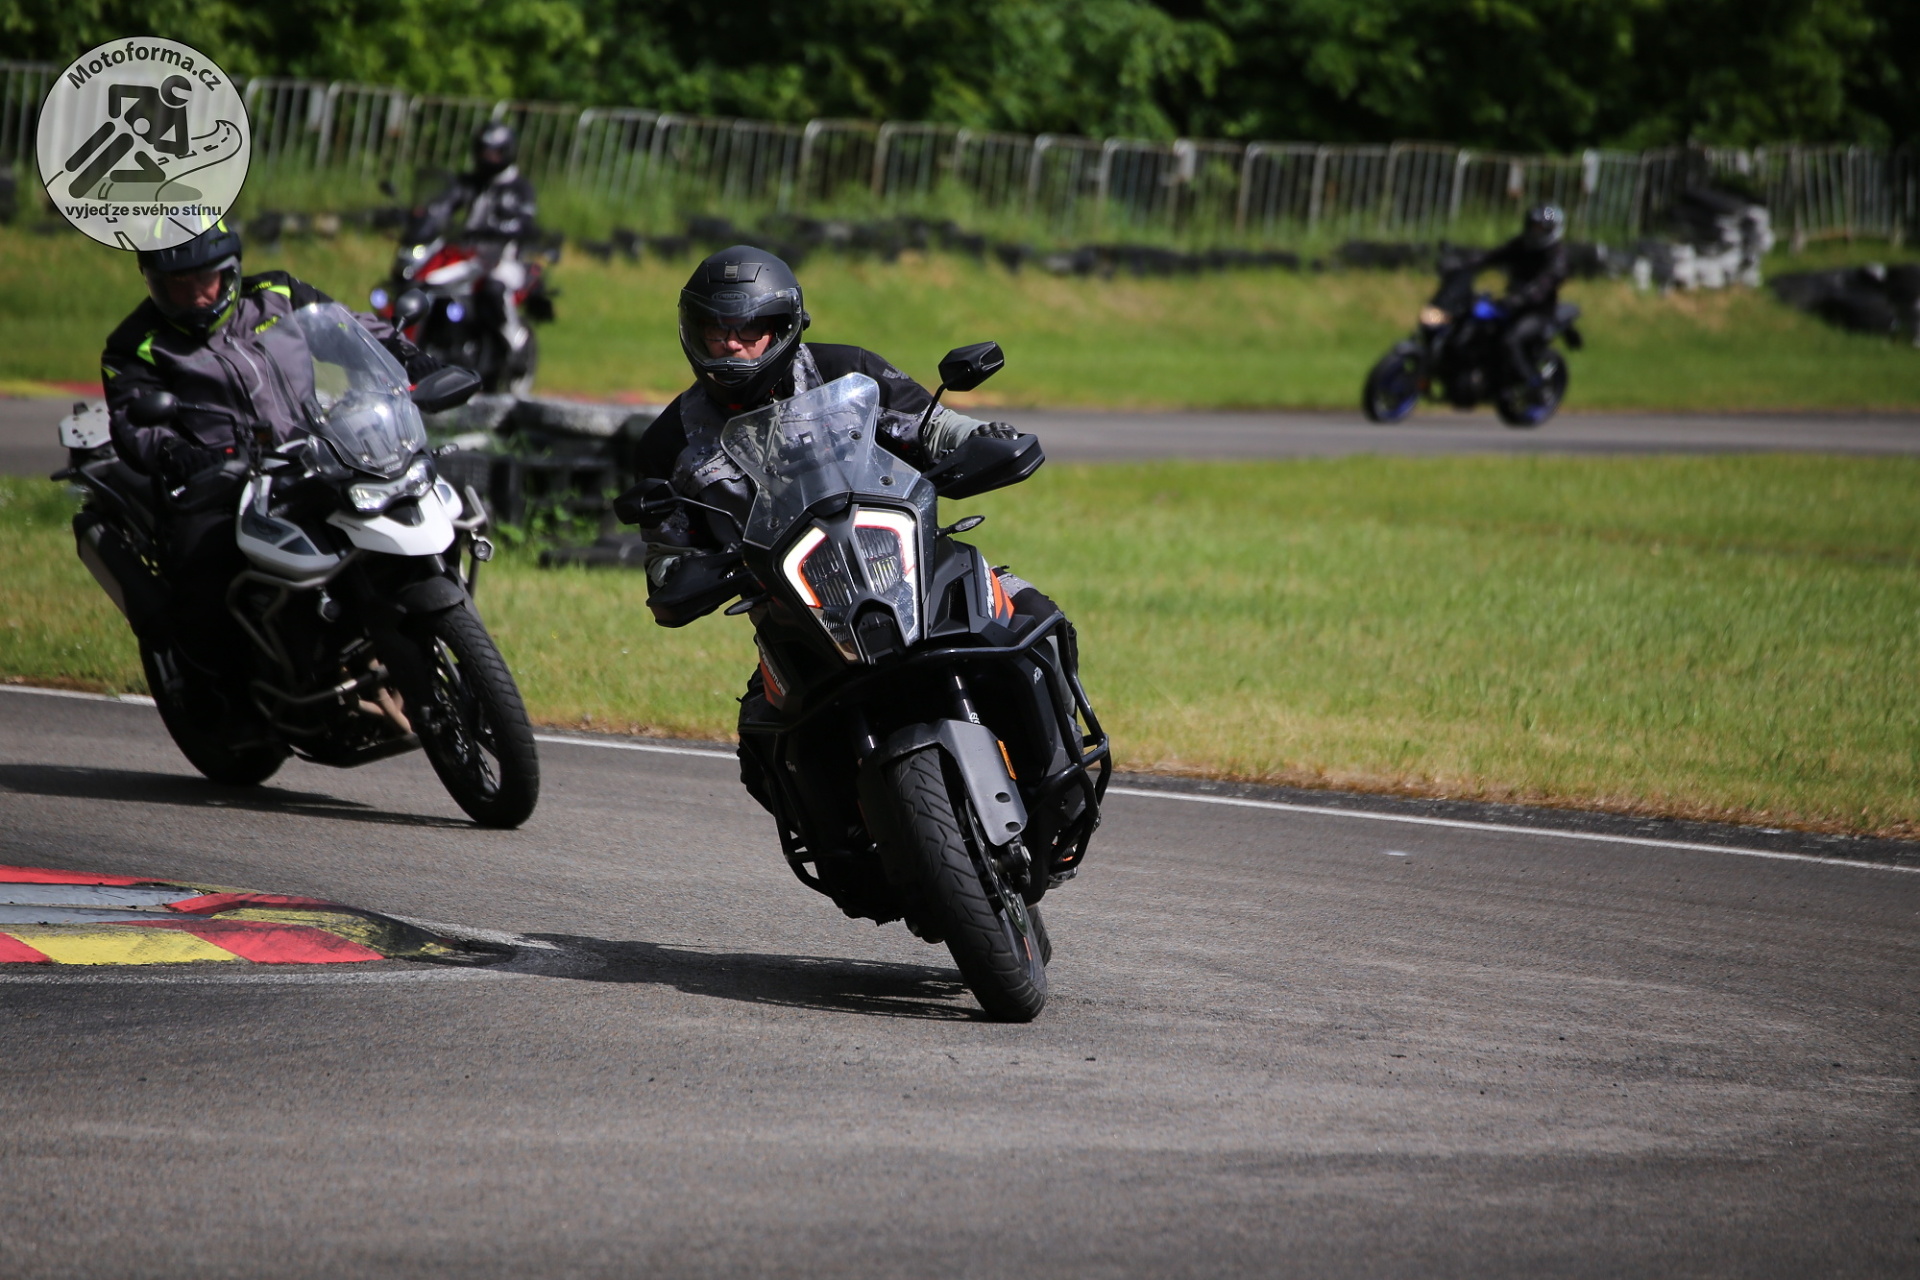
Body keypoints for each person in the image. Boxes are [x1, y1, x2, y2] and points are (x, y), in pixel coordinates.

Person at [614, 245, 1060, 807]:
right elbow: (666, 556)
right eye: (716, 329)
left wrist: (981, 440)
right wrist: (683, 575)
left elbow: (933, 427)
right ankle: (847, 848)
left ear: (784, 327)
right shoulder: (669, 442)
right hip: (794, 617)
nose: (731, 343)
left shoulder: (850, 371)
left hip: (907, 568)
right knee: (762, 743)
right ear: (693, 332)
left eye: (749, 328)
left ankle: (1057, 778)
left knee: (1033, 617)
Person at [99, 219, 440, 668]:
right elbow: (133, 420)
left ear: (230, 271)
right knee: (204, 578)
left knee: (410, 499)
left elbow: (348, 332)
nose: (196, 296)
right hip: (220, 484)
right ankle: (218, 691)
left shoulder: (278, 294)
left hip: (318, 454)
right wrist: (178, 453)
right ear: (153, 282)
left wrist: (408, 358)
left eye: (204, 280)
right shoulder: (134, 344)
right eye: (177, 286)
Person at [416, 122, 541, 345]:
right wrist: (422, 216)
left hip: (503, 260)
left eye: (493, 152)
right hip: (468, 258)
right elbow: (444, 206)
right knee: (427, 281)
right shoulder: (470, 183)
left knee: (493, 289)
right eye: (483, 151)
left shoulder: (519, 187)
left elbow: (525, 222)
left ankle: (515, 339)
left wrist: (503, 229)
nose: (487, 157)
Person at [1470, 204, 1570, 388]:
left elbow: (1547, 280)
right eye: (1533, 227)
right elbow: (1494, 255)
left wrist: (1526, 296)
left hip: (1538, 312)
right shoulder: (1521, 245)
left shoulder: (1556, 255)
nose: (1535, 232)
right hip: (1511, 306)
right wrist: (1465, 261)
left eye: (1540, 228)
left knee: (1510, 340)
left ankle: (1532, 383)